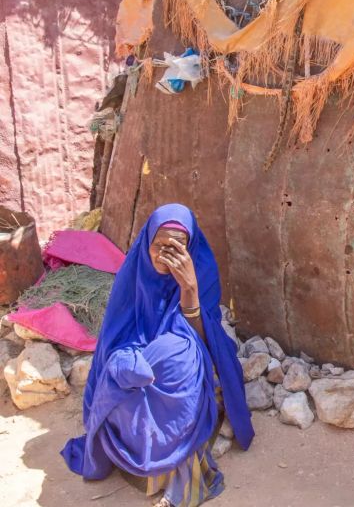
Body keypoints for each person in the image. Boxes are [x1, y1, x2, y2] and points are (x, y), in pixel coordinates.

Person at [62, 204, 253, 507]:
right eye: (159, 246)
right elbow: (116, 337)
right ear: (147, 242)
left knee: (179, 355)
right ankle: (147, 460)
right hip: (141, 361)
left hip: (187, 361)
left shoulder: (201, 269)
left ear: (190, 247)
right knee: (124, 375)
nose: (166, 254)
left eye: (176, 246)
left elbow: (204, 340)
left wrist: (189, 288)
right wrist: (129, 362)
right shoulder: (134, 272)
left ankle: (178, 471)